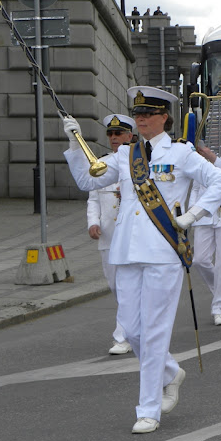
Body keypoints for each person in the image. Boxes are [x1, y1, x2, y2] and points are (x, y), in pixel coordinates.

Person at [62, 86, 221, 434]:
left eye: (148, 114)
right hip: (125, 250)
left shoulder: (181, 153)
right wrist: (73, 142)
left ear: (164, 117)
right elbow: (85, 180)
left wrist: (194, 214)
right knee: (132, 329)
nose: (141, 119)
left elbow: (220, 180)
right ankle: (170, 372)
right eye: (137, 114)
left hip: (162, 252)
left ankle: (148, 408)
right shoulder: (125, 155)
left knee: (153, 331)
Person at [87, 114, 135, 355]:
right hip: (107, 235)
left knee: (126, 287)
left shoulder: (138, 162)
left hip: (130, 235)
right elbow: (93, 198)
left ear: (130, 136)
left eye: (119, 134)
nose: (114, 138)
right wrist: (93, 222)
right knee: (116, 287)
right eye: (110, 134)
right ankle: (134, 326)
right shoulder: (102, 164)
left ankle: (122, 337)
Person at [190, 145, 221, 326]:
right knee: (200, 259)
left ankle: (219, 308)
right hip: (204, 214)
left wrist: (213, 158)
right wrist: (191, 212)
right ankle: (218, 290)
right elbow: (196, 187)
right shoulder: (199, 157)